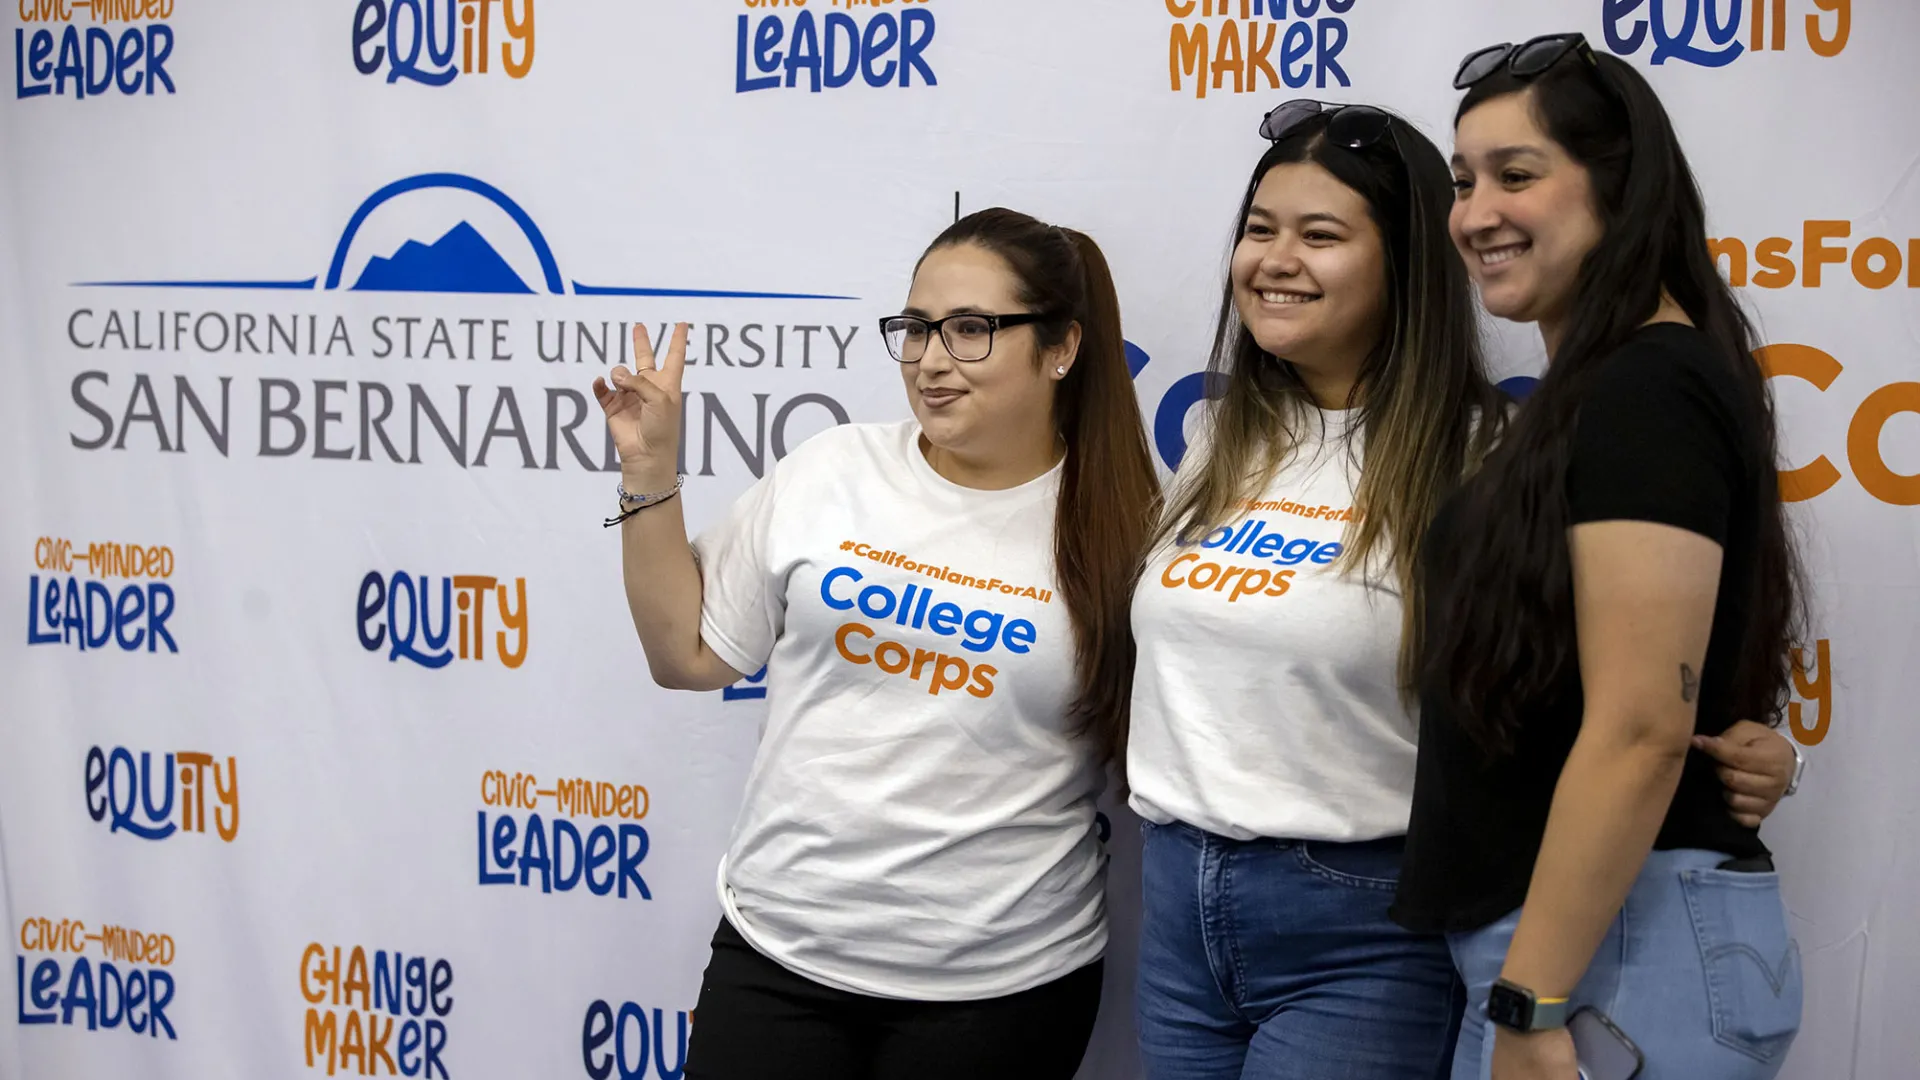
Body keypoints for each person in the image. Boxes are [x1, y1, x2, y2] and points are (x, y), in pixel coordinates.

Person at [1127, 99, 1805, 1080]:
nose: (1274, 259)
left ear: (1406, 261)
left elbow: (1620, 696)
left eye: (1320, 234)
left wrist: (1758, 750)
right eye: (1258, 230)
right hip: (1178, 898)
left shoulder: (1491, 462)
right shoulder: (1211, 447)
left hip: (1364, 914)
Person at [592, 208, 1158, 1080]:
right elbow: (687, 657)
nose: (933, 360)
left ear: (1061, 348)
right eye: (917, 329)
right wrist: (648, 473)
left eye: (972, 330)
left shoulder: (1126, 524)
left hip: (999, 991)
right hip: (782, 956)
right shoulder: (835, 469)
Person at [1392, 34, 1807, 1080]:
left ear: (1619, 190)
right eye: (1463, 180)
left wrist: (1533, 1003)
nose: (1476, 212)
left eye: (1516, 175)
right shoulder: (1613, 388)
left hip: (1608, 956)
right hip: (1587, 943)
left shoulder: (1646, 390)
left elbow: (1638, 730)